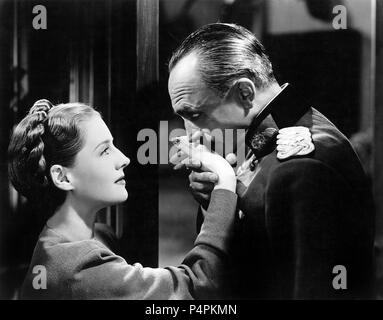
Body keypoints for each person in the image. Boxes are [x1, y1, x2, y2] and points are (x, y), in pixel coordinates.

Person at [167, 23, 375, 299]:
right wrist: (217, 200)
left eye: (195, 115)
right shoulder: (264, 136)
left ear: (245, 93)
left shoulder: (301, 166)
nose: (191, 134)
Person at [8, 99, 237, 300]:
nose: (124, 158)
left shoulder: (91, 237)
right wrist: (225, 183)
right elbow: (199, 289)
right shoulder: (79, 267)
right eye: (104, 151)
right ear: (62, 176)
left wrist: (210, 202)